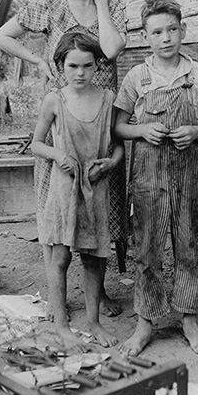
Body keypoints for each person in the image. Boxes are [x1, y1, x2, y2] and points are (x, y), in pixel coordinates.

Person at [0, 0, 127, 317]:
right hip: (63, 119)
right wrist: (37, 60)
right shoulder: (49, 5)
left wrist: (98, 1)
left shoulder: (111, 3)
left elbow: (113, 49)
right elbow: (1, 36)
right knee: (60, 204)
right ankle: (58, 297)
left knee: (101, 203)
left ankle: (96, 294)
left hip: (101, 119)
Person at [113, 0, 198, 356]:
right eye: (157, 31)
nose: (166, 38)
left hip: (188, 172)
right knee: (147, 249)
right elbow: (118, 127)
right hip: (147, 175)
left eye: (172, 30)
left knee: (188, 245)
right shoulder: (137, 77)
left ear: (183, 30)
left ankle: (188, 318)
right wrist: (141, 131)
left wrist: (195, 131)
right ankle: (145, 323)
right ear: (146, 36)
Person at [30, 32, 124, 352]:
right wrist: (58, 155)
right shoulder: (55, 100)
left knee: (95, 258)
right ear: (60, 66)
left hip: (95, 187)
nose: (80, 73)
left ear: (97, 66)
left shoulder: (108, 98)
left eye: (87, 65)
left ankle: (94, 322)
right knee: (61, 255)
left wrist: (109, 164)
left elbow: (119, 147)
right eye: (72, 66)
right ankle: (61, 326)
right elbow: (36, 143)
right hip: (64, 187)